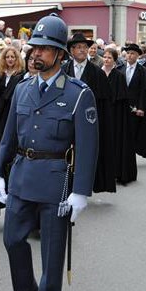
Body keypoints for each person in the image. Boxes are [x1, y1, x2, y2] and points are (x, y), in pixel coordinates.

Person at [0, 14, 98, 291]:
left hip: (56, 184)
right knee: (11, 240)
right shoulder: (23, 89)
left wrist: (80, 192)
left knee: (52, 254)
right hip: (22, 178)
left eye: (45, 49)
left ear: (60, 55)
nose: (36, 53)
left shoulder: (79, 94)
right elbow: (7, 137)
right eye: (34, 47)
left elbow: (89, 146)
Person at [64, 33, 116, 194]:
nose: (82, 50)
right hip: (66, 120)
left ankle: (84, 186)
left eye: (84, 47)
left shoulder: (97, 73)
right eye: (78, 47)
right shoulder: (63, 70)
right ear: (71, 50)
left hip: (88, 121)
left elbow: (104, 102)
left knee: (86, 154)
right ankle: (67, 185)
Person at [0, 46, 24, 214]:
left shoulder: (21, 77)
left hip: (12, 120)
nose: (10, 59)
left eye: (13, 57)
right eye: (7, 57)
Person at [101, 48, 136, 184]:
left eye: (109, 57)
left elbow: (122, 98)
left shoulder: (119, 76)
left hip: (115, 116)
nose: (106, 59)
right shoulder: (98, 73)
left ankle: (117, 172)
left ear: (114, 60)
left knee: (116, 143)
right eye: (104, 57)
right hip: (101, 114)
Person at [118, 44, 146, 158]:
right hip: (122, 106)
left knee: (133, 131)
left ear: (138, 56)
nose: (130, 56)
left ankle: (130, 154)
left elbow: (144, 92)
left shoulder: (143, 71)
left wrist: (141, 107)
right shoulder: (119, 69)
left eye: (133, 54)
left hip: (135, 107)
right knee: (122, 131)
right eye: (128, 53)